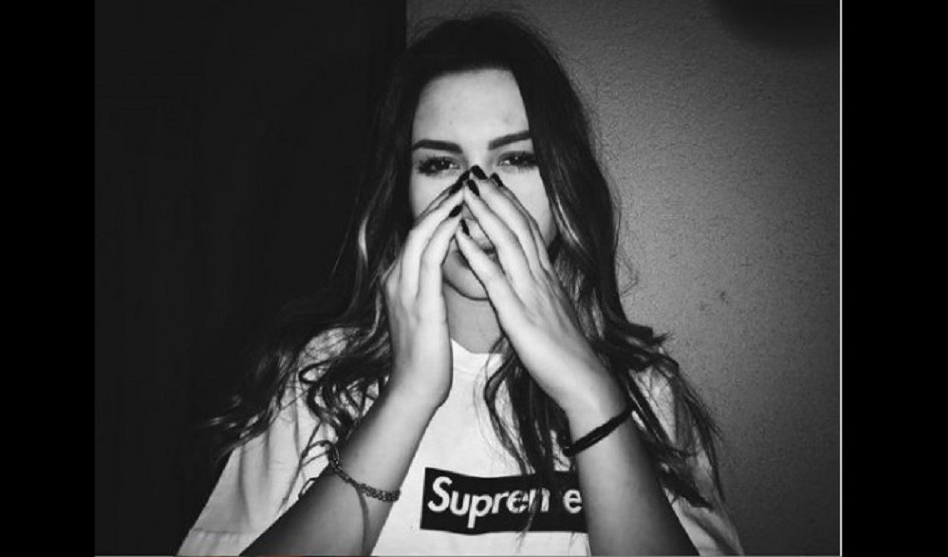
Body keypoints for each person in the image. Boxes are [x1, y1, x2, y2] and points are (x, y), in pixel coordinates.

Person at [179, 12, 743, 556]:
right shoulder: (317, 379)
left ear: (563, 184)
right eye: (440, 165)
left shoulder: (646, 392)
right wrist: (408, 397)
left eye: (516, 158)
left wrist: (590, 397)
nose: (476, 195)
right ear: (402, 191)